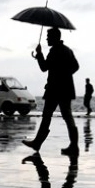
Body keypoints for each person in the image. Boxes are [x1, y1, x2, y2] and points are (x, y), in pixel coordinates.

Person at [22, 27, 80, 156]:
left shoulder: (54, 52)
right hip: (66, 89)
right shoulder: (67, 51)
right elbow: (76, 66)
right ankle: (74, 146)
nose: (47, 39)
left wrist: (39, 54)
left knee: (47, 116)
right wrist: (65, 75)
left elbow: (44, 67)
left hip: (54, 90)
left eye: (48, 37)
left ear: (55, 37)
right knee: (67, 117)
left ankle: (37, 142)